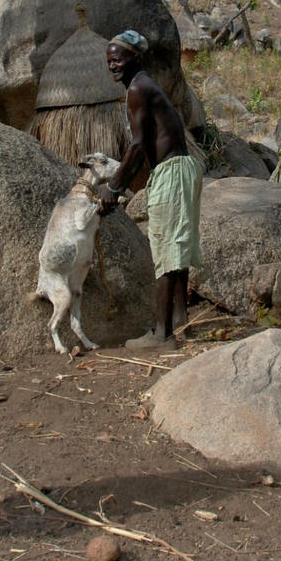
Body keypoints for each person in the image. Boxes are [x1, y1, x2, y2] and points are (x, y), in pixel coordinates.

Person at [98, 29, 202, 350]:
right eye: (109, 61)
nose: (113, 66)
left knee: (165, 250)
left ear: (136, 58)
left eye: (118, 59)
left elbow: (139, 145)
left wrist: (113, 187)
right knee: (176, 245)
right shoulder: (144, 85)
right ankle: (180, 321)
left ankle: (162, 335)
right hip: (180, 169)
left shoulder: (138, 89)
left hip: (172, 170)